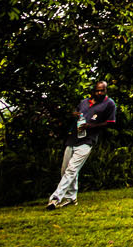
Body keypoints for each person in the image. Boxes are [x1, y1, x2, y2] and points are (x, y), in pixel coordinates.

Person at [47, 81, 117, 209]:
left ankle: (55, 198)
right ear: (93, 91)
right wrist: (74, 114)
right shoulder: (84, 102)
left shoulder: (109, 104)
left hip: (88, 140)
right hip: (73, 138)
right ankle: (71, 197)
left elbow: (111, 122)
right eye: (97, 90)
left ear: (106, 90)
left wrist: (92, 126)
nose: (100, 93)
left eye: (102, 90)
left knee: (72, 169)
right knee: (65, 170)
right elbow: (77, 111)